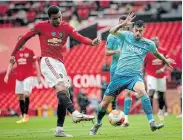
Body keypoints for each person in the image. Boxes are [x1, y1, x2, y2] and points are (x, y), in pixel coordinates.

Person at [9, 5, 100, 137]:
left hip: (60, 64)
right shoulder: (41, 26)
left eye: (59, 17)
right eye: (55, 18)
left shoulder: (66, 27)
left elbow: (80, 37)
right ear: (49, 18)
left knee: (64, 93)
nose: (58, 20)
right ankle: (75, 113)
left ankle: (59, 129)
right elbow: (24, 38)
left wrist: (92, 42)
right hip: (47, 60)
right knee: (61, 87)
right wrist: (13, 54)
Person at [89, 13, 175, 135]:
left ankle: (152, 122)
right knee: (104, 104)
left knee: (142, 91)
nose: (138, 33)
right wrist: (123, 24)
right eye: (136, 30)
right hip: (119, 76)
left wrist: (165, 61)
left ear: (144, 30)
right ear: (133, 29)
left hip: (134, 76)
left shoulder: (148, 44)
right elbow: (112, 31)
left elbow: (156, 54)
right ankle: (97, 124)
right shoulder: (126, 36)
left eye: (140, 31)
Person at [4, 36, 41, 123]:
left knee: (26, 94)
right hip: (19, 77)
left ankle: (25, 115)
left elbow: (35, 64)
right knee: (20, 96)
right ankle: (23, 115)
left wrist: (38, 76)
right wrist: (7, 75)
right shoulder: (15, 52)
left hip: (28, 76)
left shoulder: (30, 51)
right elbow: (11, 64)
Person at [105, 15, 133, 127]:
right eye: (121, 24)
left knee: (128, 91)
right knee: (113, 94)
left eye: (125, 24)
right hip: (116, 68)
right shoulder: (112, 36)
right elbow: (106, 53)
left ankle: (125, 119)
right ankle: (115, 115)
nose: (123, 26)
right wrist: (117, 51)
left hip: (127, 67)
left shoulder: (131, 36)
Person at [144, 36, 169, 120]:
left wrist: (162, 69)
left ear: (159, 41)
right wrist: (143, 76)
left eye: (156, 40)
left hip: (161, 76)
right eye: (153, 40)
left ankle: (161, 111)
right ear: (151, 42)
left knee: (161, 94)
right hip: (151, 75)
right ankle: (149, 113)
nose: (155, 42)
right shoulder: (147, 52)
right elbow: (143, 65)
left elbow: (166, 61)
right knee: (151, 92)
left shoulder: (164, 51)